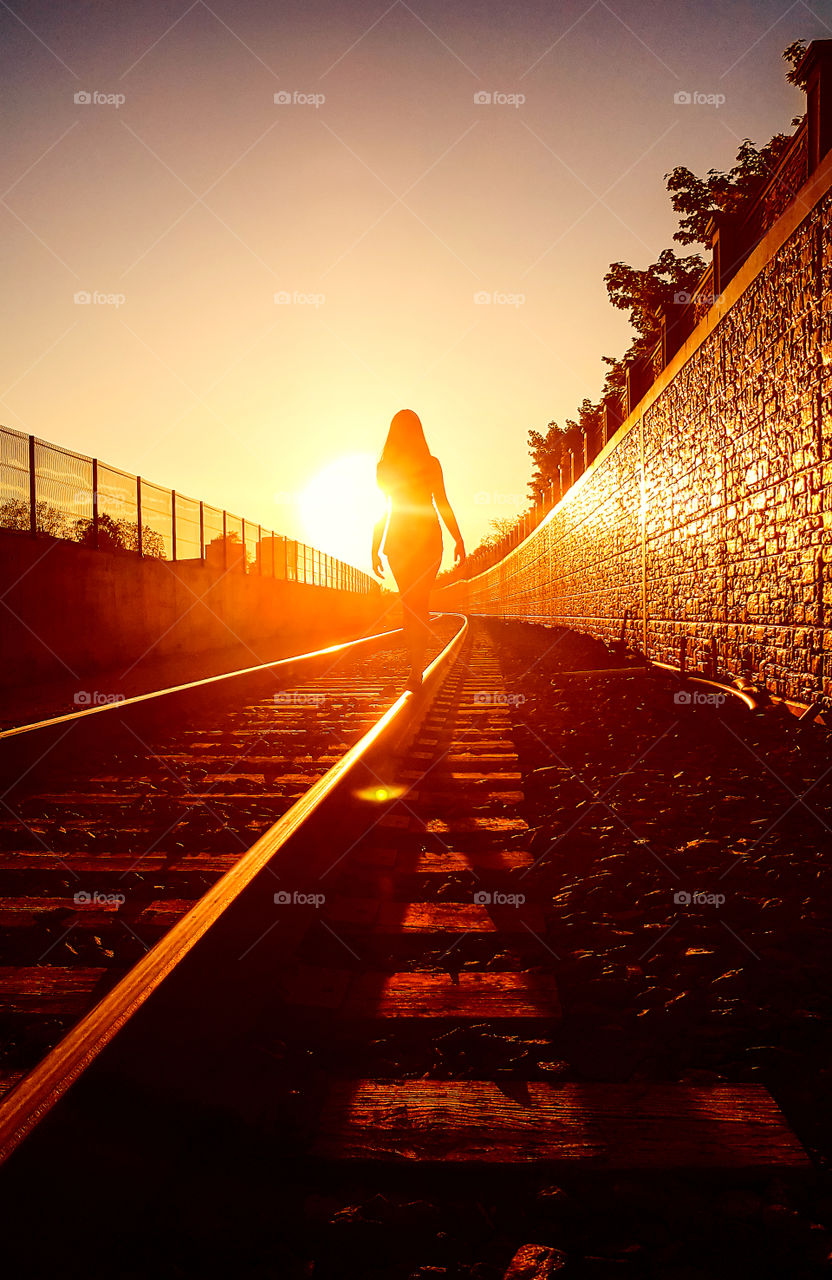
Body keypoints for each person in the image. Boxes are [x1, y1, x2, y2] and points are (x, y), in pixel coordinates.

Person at [372, 409, 465, 691]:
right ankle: (415, 668)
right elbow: (442, 503)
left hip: (398, 540)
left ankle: (415, 668)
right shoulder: (431, 463)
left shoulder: (385, 467)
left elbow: (385, 509)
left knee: (409, 606)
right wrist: (458, 539)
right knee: (420, 605)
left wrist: (375, 547)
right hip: (427, 538)